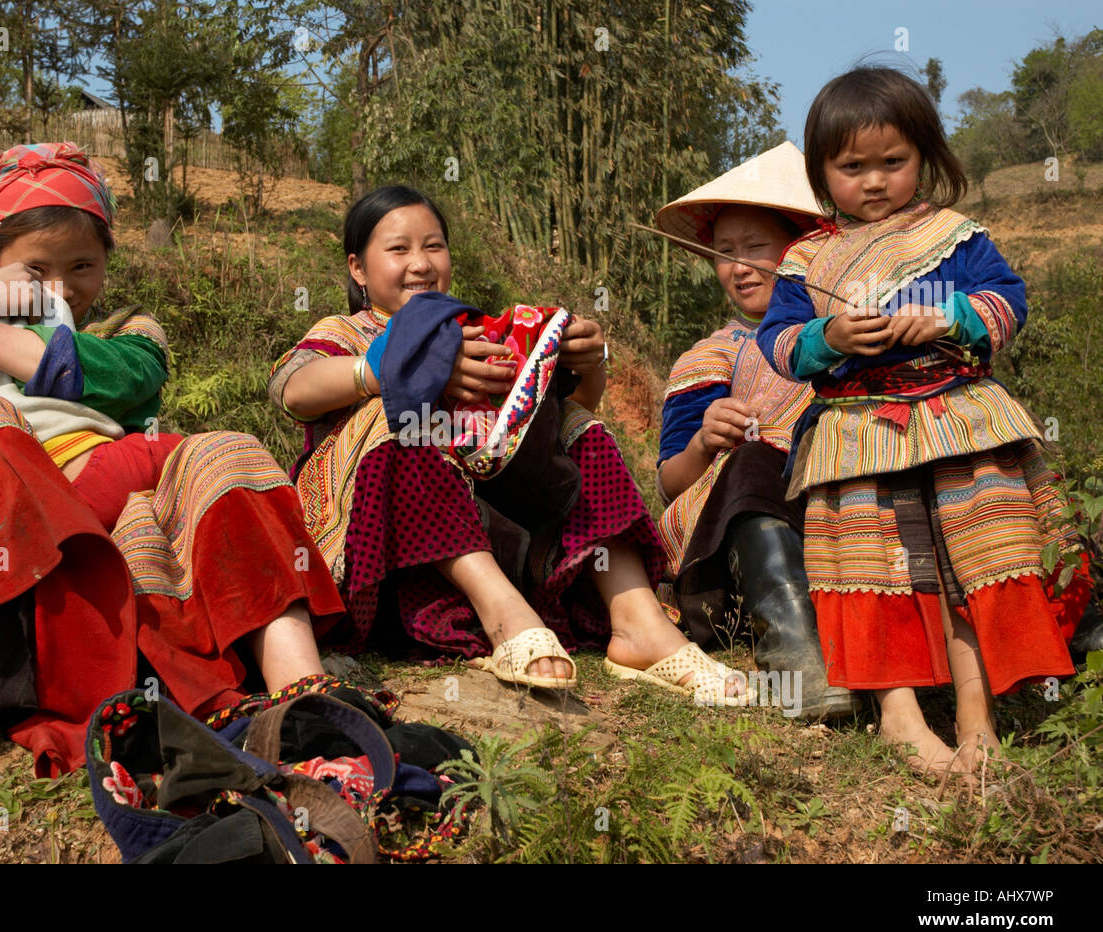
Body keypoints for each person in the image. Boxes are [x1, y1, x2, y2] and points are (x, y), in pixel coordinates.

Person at [0, 142, 343, 830]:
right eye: (35, 269)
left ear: (107, 262)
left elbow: (107, 378)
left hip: (99, 541)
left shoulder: (130, 331)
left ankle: (300, 692)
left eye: (82, 267)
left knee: (226, 450)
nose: (62, 287)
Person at [269, 185, 752, 701]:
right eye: (398, 248)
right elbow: (292, 390)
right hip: (383, 550)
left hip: (495, 523)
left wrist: (585, 362)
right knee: (404, 415)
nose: (420, 263)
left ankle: (637, 621)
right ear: (358, 269)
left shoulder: (478, 330)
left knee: (574, 424)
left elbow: (577, 402)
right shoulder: (346, 330)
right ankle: (502, 613)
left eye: (433, 246)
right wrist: (396, 370)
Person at [756, 68, 1091, 779]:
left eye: (893, 162)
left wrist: (950, 316)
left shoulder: (955, 237)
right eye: (851, 167)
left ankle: (977, 713)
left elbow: (1007, 299)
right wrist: (832, 338)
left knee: (967, 556)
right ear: (820, 173)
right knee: (875, 564)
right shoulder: (806, 260)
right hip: (855, 436)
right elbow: (780, 343)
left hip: (956, 420)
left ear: (926, 158)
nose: (873, 182)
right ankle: (898, 715)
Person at [653, 142, 855, 720]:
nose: (740, 267)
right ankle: (797, 658)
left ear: (796, 251)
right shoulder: (707, 357)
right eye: (724, 252)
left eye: (756, 248)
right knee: (754, 459)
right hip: (723, 563)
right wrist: (703, 443)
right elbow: (672, 483)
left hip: (836, 525)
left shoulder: (840, 335)